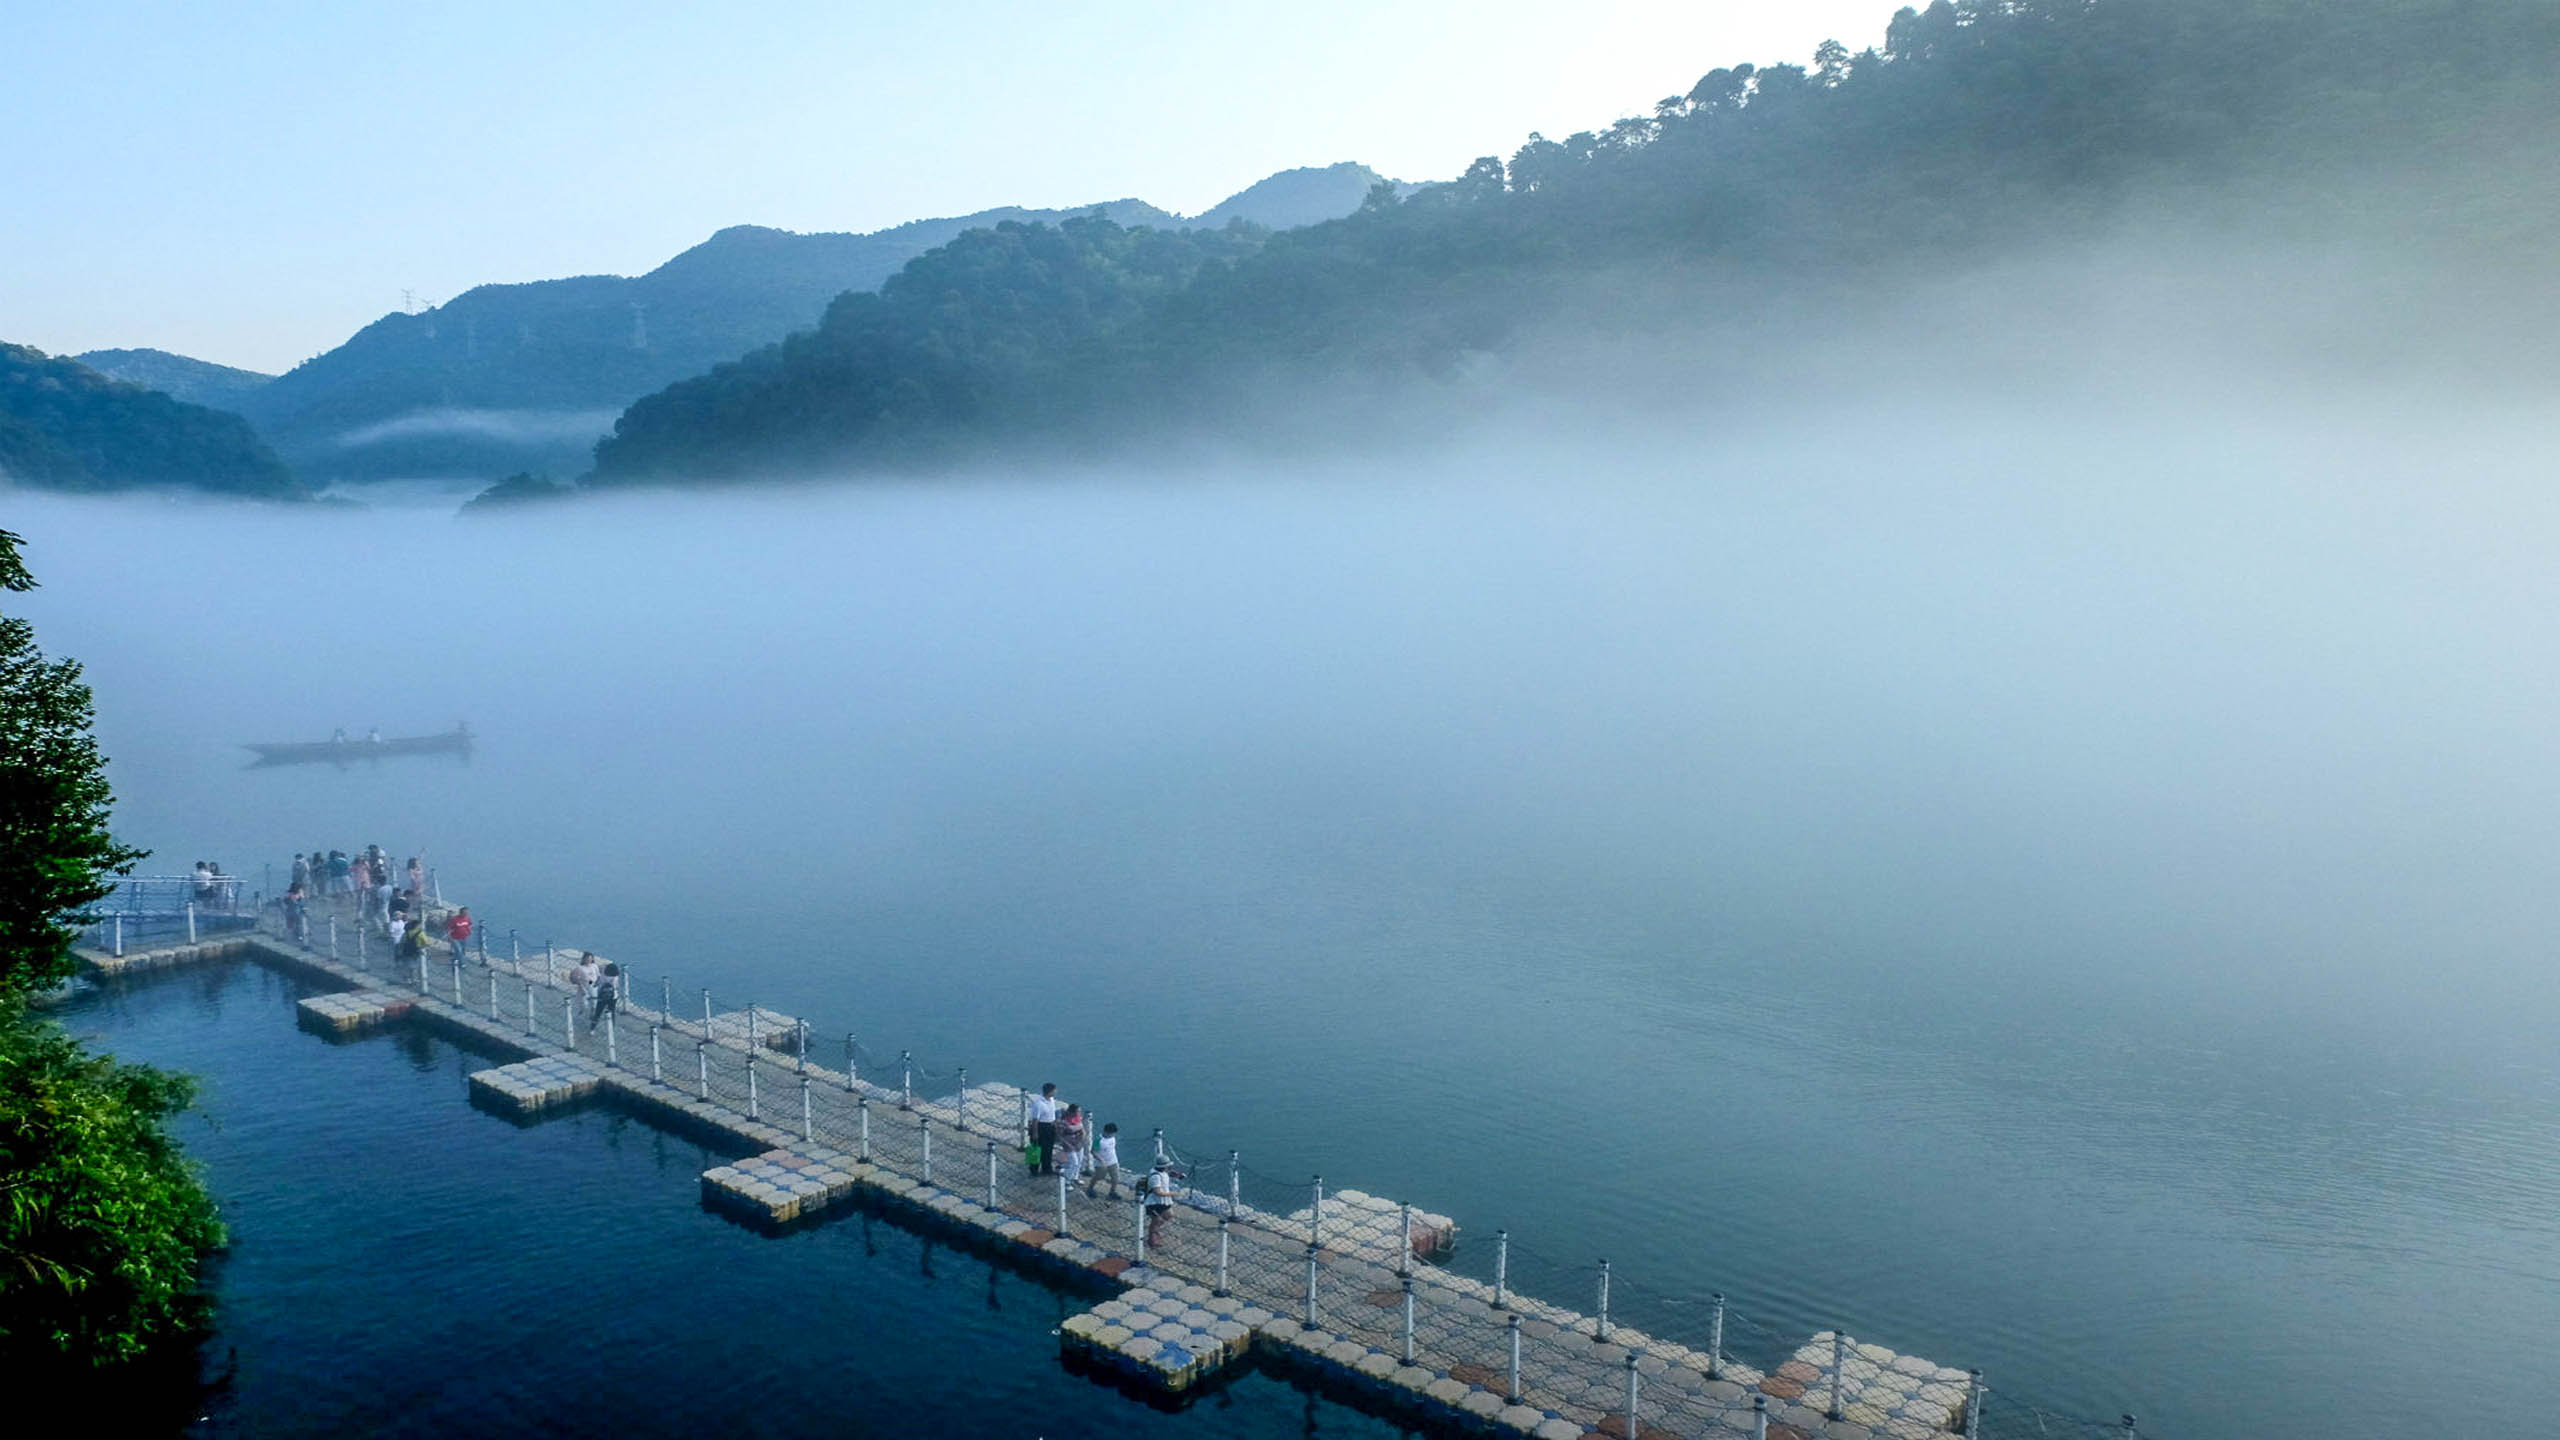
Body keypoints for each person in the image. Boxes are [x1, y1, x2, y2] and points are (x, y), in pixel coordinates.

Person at [1144, 1161, 1184, 1247]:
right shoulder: (1155, 1177)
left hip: (1164, 1201)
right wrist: (1172, 1193)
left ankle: (1156, 1231)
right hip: (1154, 1202)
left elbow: (1166, 1174)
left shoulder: (1161, 1172)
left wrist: (1176, 1175)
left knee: (1169, 1215)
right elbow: (1157, 1192)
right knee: (1156, 1220)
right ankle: (1151, 1240)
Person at [1028, 1082, 1062, 1175]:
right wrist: (1035, 1133)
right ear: (1050, 1091)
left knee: (1048, 1149)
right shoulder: (1039, 1103)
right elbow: (1035, 1120)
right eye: (1054, 1090)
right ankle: (1033, 1170)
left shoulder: (1051, 1100)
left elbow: (1052, 1114)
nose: (1056, 1092)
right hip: (1041, 1127)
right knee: (1036, 1148)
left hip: (1050, 1127)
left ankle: (1047, 1168)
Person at [1087, 1122, 1124, 1200]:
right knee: (1099, 1177)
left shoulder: (1113, 1138)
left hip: (1113, 1161)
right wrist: (1101, 1160)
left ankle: (1112, 1192)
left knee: (1115, 1178)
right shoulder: (1099, 1140)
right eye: (1111, 1134)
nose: (1113, 1135)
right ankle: (1090, 1188)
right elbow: (1093, 1151)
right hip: (1101, 1163)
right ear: (1106, 1132)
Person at [1057, 1105, 1089, 1185]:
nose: (1079, 1113)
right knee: (1074, 1163)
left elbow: (1082, 1130)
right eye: (1078, 1111)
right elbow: (1060, 1135)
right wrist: (1068, 1144)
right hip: (1069, 1145)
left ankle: (1075, 1177)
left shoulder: (1078, 1119)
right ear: (1072, 1112)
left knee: (1080, 1161)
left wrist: (1081, 1140)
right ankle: (1067, 1180)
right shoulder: (1063, 1121)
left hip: (1078, 1144)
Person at [592, 959, 621, 1026]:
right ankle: (611, 1027)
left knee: (598, 1012)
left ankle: (592, 1028)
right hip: (612, 996)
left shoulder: (604, 972)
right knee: (611, 1012)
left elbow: (599, 981)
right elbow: (615, 986)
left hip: (603, 995)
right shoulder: (615, 977)